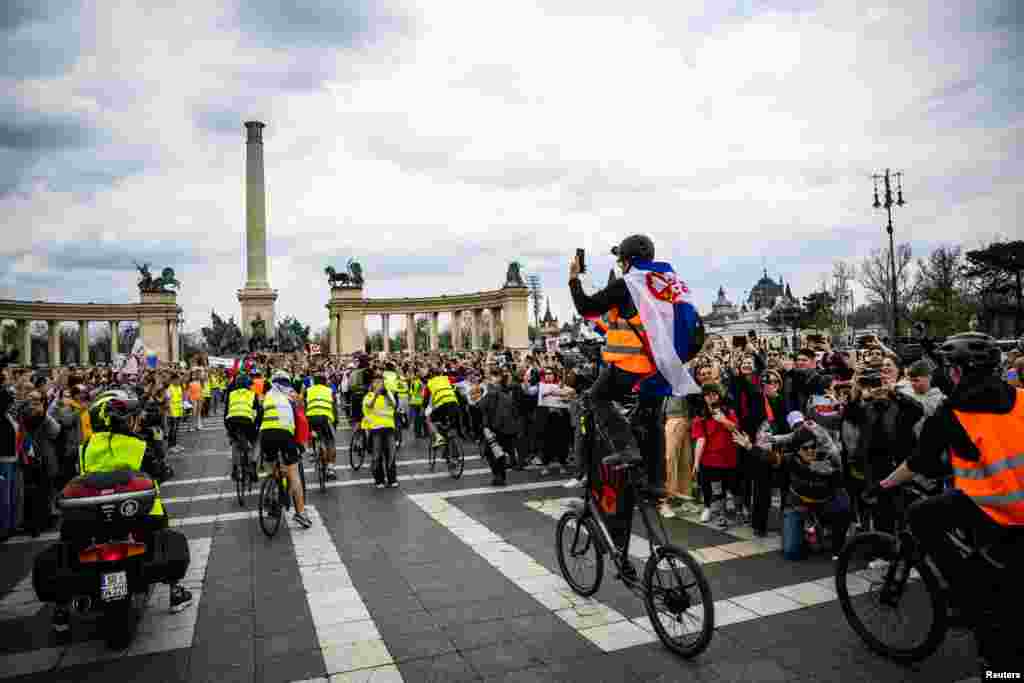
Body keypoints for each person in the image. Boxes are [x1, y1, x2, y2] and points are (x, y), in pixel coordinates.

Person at [879, 332, 1024, 671]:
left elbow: (919, 463)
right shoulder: (1021, 398)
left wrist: (885, 484)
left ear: (957, 372)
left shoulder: (953, 412)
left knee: (919, 514)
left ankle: (967, 592)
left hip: (996, 509)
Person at [569, 235, 703, 567]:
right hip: (662, 368)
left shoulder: (629, 282)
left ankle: (626, 448)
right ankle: (657, 483)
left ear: (627, 260)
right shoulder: (668, 280)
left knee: (595, 397)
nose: (619, 266)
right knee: (652, 418)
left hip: (632, 365)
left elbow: (586, 307)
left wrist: (574, 278)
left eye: (620, 260)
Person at [55, 392, 192, 636]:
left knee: (69, 549)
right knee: (164, 537)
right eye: (133, 418)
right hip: (140, 515)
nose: (137, 422)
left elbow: (65, 477)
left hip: (90, 520)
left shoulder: (83, 448)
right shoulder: (138, 445)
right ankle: (176, 591)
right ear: (124, 422)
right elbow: (158, 470)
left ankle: (62, 608)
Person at [258, 371, 312, 529]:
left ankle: (272, 494)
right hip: (285, 434)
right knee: (294, 475)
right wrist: (301, 443)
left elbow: (260, 417)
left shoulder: (266, 395)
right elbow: (299, 419)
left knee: (272, 466)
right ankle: (301, 513)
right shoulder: (292, 395)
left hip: (266, 435)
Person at [691, 383, 740, 528]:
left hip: (730, 458)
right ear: (704, 398)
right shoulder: (700, 418)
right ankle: (721, 514)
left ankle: (739, 511)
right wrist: (696, 462)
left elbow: (736, 430)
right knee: (717, 490)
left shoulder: (729, 412)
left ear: (719, 395)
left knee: (735, 487)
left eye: (714, 394)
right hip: (711, 460)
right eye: (707, 394)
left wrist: (723, 420)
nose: (711, 397)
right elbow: (700, 440)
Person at [477, 368, 521, 486]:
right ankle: (501, 477)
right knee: (499, 453)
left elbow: (480, 407)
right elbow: (515, 412)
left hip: (495, 428)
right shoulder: (507, 395)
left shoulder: (491, 393)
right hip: (507, 429)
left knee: (490, 452)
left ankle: (497, 475)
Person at [363, 371, 398, 488]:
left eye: (380, 382)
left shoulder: (389, 394)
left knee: (391, 454)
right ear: (372, 384)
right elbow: (368, 406)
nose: (378, 384)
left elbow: (393, 405)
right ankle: (379, 480)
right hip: (376, 428)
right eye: (376, 382)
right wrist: (376, 395)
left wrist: (386, 393)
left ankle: (392, 479)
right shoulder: (368, 396)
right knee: (377, 456)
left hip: (389, 427)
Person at [225, 374, 261, 482]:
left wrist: (228, 430)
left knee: (234, 441)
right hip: (247, 422)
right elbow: (257, 413)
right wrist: (257, 426)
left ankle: (235, 469)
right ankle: (253, 464)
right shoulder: (252, 394)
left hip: (232, 422)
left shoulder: (231, 395)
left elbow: (226, 413)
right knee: (257, 440)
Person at [305, 374, 337, 480]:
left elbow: (303, 404)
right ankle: (331, 469)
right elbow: (334, 407)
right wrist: (335, 421)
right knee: (330, 442)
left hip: (311, 418)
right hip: (325, 418)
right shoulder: (329, 391)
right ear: (325, 382)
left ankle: (311, 452)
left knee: (312, 433)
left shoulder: (308, 390)